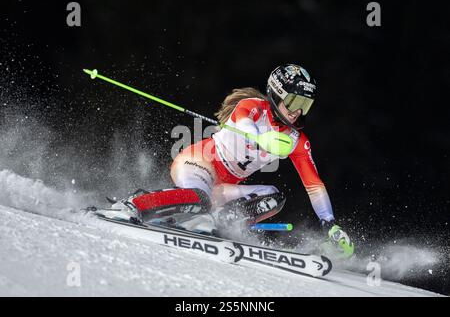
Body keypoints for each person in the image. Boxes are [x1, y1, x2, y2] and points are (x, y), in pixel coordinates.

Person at [110, 64, 354, 258]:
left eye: (305, 105)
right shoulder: (251, 107)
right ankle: (134, 204)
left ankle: (215, 222)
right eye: (294, 102)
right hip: (199, 163)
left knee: (273, 197)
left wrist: (329, 223)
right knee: (200, 197)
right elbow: (247, 127)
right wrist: (265, 140)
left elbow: (314, 184)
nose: (298, 111)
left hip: (224, 186)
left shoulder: (296, 140)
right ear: (277, 94)